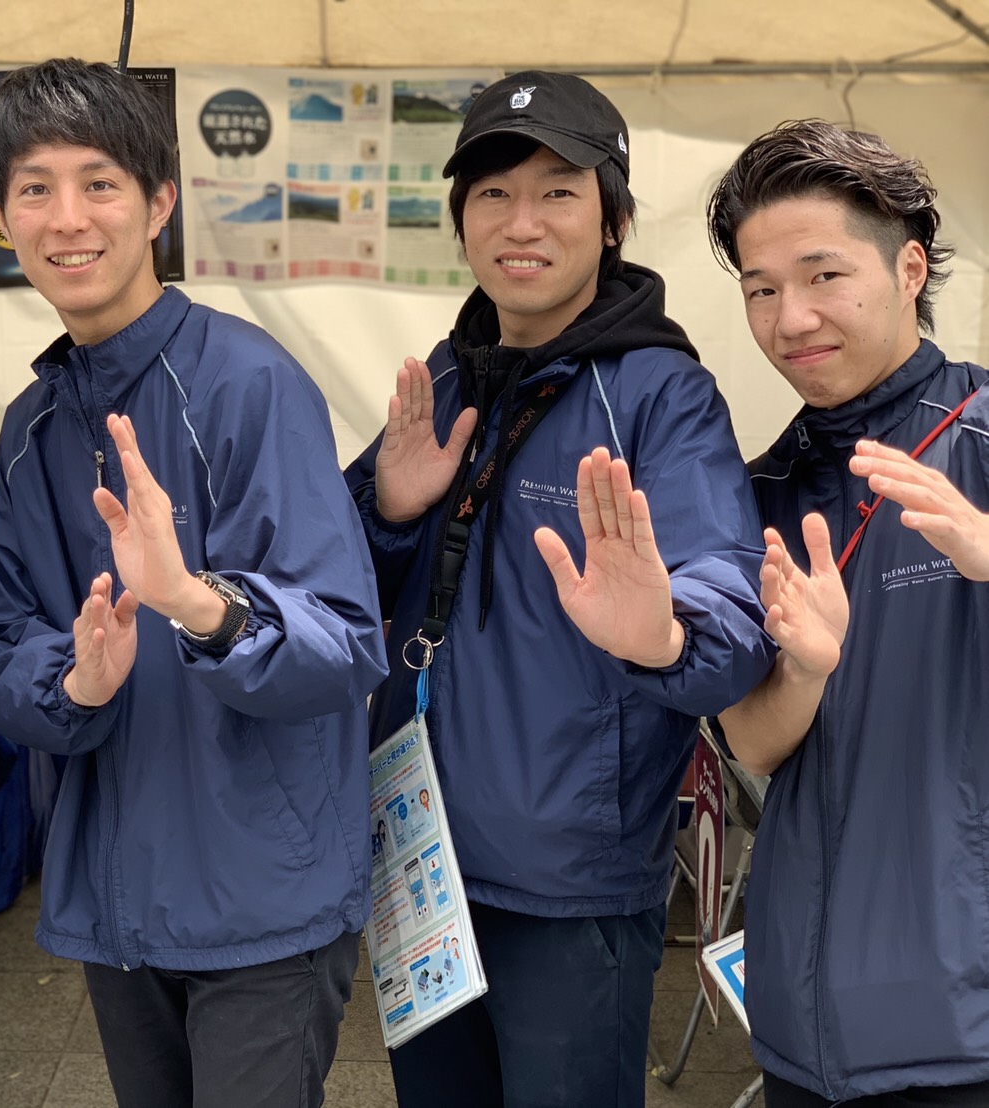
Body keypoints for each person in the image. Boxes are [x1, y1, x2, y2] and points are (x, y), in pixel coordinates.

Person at [344, 70, 775, 1107]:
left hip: (569, 878)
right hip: (417, 857)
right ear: (460, 220)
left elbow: (730, 616)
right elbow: (339, 589)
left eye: (557, 192)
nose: (520, 221)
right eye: (492, 193)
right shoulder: (448, 377)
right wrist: (389, 511)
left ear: (613, 220)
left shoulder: (659, 393)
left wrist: (663, 634)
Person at [0, 59, 387, 1108]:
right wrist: (78, 685)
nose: (68, 218)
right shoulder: (31, 429)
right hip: (116, 901)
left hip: (262, 900)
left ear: (158, 205)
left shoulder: (247, 382)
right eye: (34, 188)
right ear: (3, 218)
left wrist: (199, 606)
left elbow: (345, 645)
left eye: (99, 183)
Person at [708, 119, 989, 1106]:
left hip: (963, 1028)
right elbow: (753, 742)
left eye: (823, 275)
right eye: (760, 289)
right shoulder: (755, 492)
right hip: (800, 1021)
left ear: (909, 268)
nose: (791, 318)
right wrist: (805, 667)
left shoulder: (980, 437)